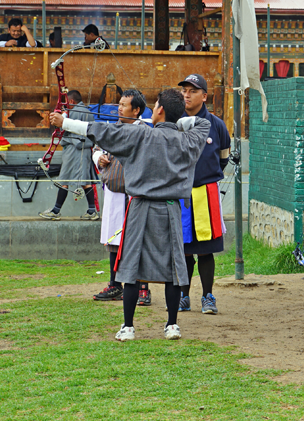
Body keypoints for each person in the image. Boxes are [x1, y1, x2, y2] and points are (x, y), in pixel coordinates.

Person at [49, 89, 210, 341]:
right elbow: (203, 122)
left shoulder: (139, 134)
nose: (152, 109)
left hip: (141, 207)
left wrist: (65, 122)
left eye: (155, 106)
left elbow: (100, 131)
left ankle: (128, 327)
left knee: (131, 265)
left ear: (160, 111)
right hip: (170, 208)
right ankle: (171, 325)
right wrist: (175, 120)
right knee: (172, 267)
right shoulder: (188, 139)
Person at [176, 74, 231, 315]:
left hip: (207, 193)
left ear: (204, 96)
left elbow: (224, 158)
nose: (186, 95)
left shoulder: (216, 125)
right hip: (180, 193)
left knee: (206, 249)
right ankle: (183, 295)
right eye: (184, 91)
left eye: (192, 91)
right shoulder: (174, 121)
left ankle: (208, 296)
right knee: (184, 248)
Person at [91, 89, 148, 302]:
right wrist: (99, 158)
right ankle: (115, 285)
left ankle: (143, 288)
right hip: (115, 193)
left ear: (136, 110)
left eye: (124, 105)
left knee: (140, 241)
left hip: (137, 195)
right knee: (114, 240)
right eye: (119, 104)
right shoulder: (112, 129)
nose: (119, 108)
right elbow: (96, 148)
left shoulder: (146, 132)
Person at [39, 90, 99, 220]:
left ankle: (56, 211)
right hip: (85, 148)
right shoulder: (87, 112)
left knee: (65, 179)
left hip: (75, 148)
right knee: (85, 179)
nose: (65, 106)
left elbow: (65, 128)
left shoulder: (74, 112)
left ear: (71, 101)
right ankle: (91, 211)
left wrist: (59, 122)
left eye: (66, 103)